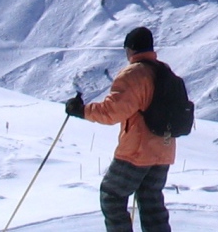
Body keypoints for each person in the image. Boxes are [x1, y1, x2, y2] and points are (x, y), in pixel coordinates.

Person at [66, 26, 177, 232]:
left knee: (112, 196)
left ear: (131, 49)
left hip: (137, 151)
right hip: (164, 150)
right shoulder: (164, 71)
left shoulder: (134, 74)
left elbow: (112, 112)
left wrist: (81, 111)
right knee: (151, 202)